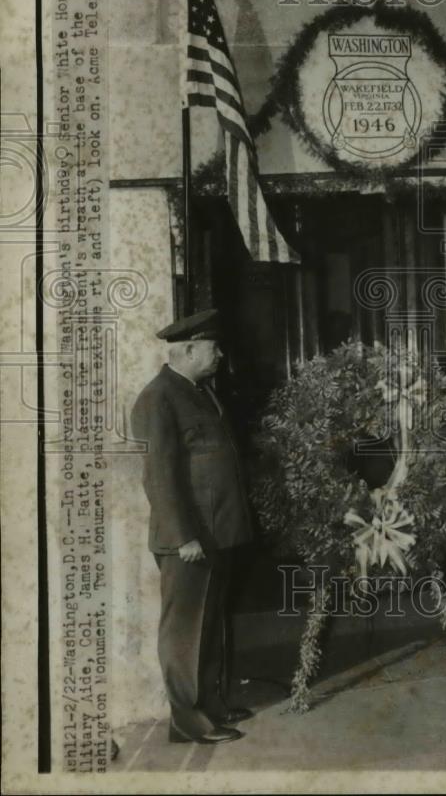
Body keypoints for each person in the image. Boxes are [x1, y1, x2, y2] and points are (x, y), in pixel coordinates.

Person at [131, 309, 255, 744]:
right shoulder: (159, 398)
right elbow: (160, 477)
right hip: (190, 539)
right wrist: (183, 536)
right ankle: (188, 723)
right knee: (185, 631)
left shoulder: (198, 392)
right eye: (213, 347)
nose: (220, 354)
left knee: (210, 625)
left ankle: (212, 706)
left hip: (216, 532)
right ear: (187, 349)